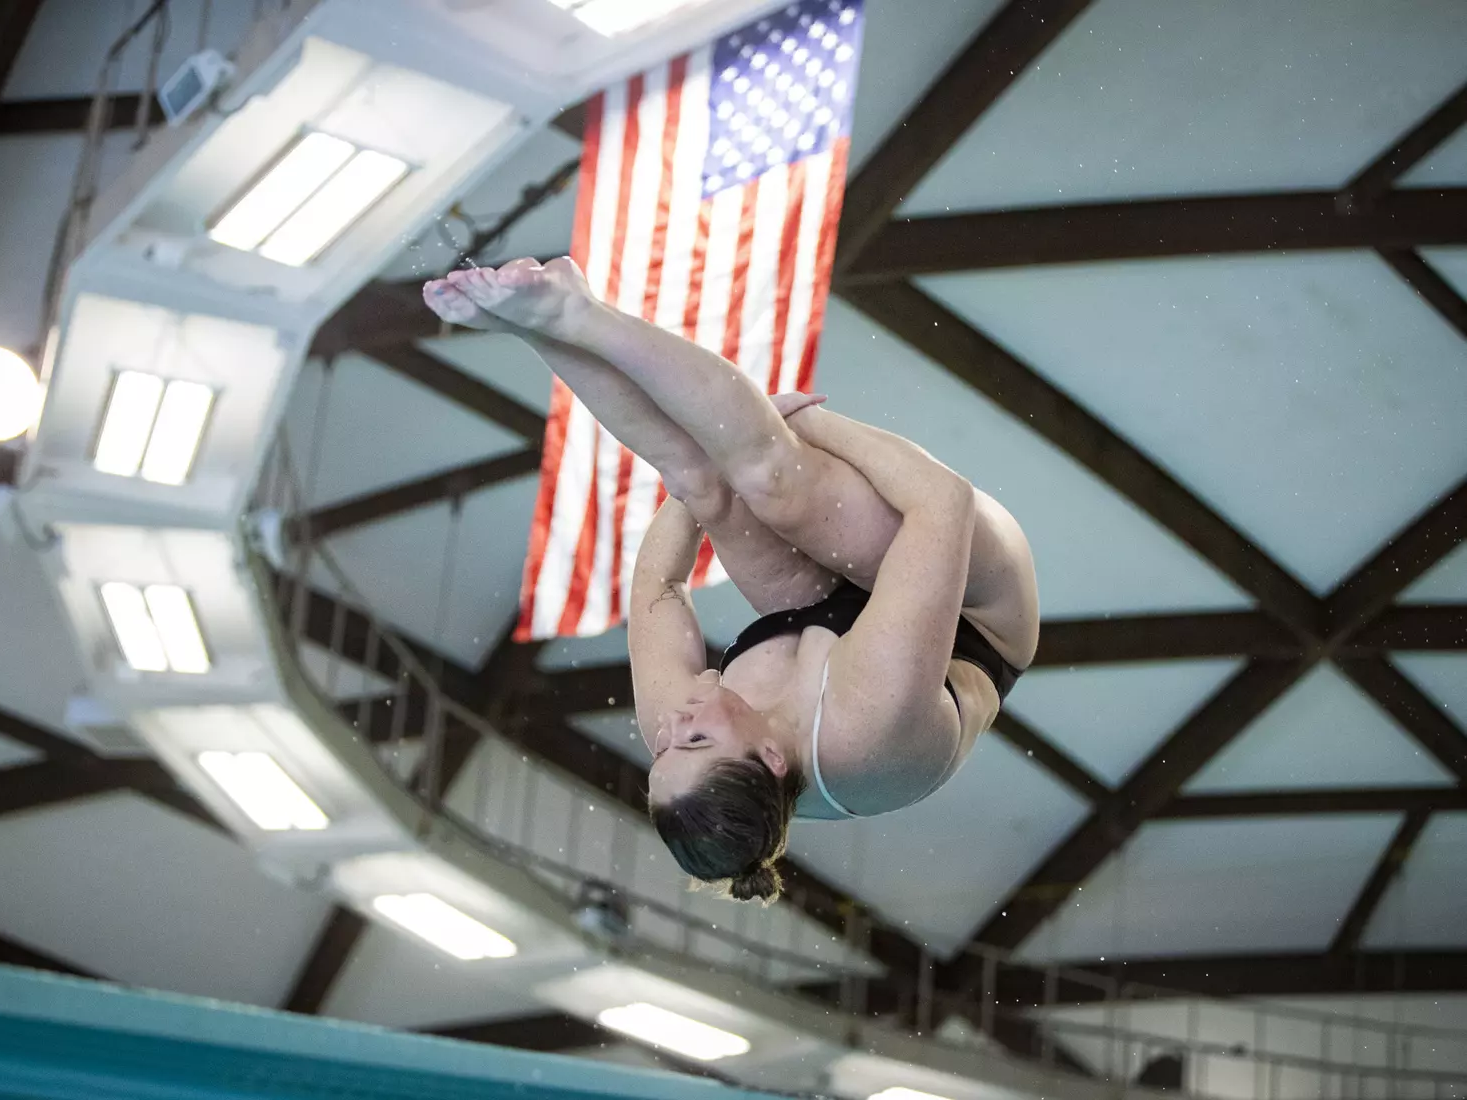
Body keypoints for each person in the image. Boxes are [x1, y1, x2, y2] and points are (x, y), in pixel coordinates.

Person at [423, 257, 1039, 903]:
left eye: (659, 753)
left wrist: (700, 481)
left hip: (822, 617)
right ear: (772, 759)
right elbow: (943, 503)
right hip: (977, 611)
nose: (670, 726)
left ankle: (541, 321)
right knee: (776, 479)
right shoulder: (865, 731)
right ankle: (583, 315)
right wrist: (801, 424)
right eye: (692, 740)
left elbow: (659, 584)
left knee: (698, 482)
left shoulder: (679, 727)